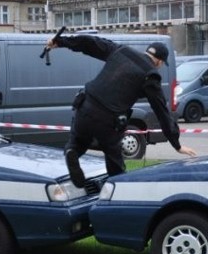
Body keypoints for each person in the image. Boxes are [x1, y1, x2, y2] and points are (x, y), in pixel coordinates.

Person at [44, 32, 197, 187]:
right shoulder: (150, 75)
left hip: (85, 105)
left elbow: (91, 42)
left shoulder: (121, 51)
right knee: (114, 158)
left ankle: (72, 152)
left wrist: (61, 41)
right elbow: (161, 111)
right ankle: (116, 189)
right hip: (108, 119)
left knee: (78, 142)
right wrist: (176, 144)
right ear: (159, 62)